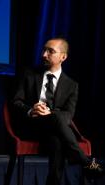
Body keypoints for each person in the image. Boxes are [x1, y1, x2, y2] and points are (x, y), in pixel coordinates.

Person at [11, 37, 103, 185]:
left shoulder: (72, 85)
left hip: (55, 130)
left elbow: (68, 115)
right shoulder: (29, 74)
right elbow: (15, 102)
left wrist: (50, 115)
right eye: (44, 50)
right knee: (58, 125)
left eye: (50, 51)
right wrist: (31, 110)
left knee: (57, 139)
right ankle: (85, 161)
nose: (44, 55)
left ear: (63, 57)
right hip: (31, 126)